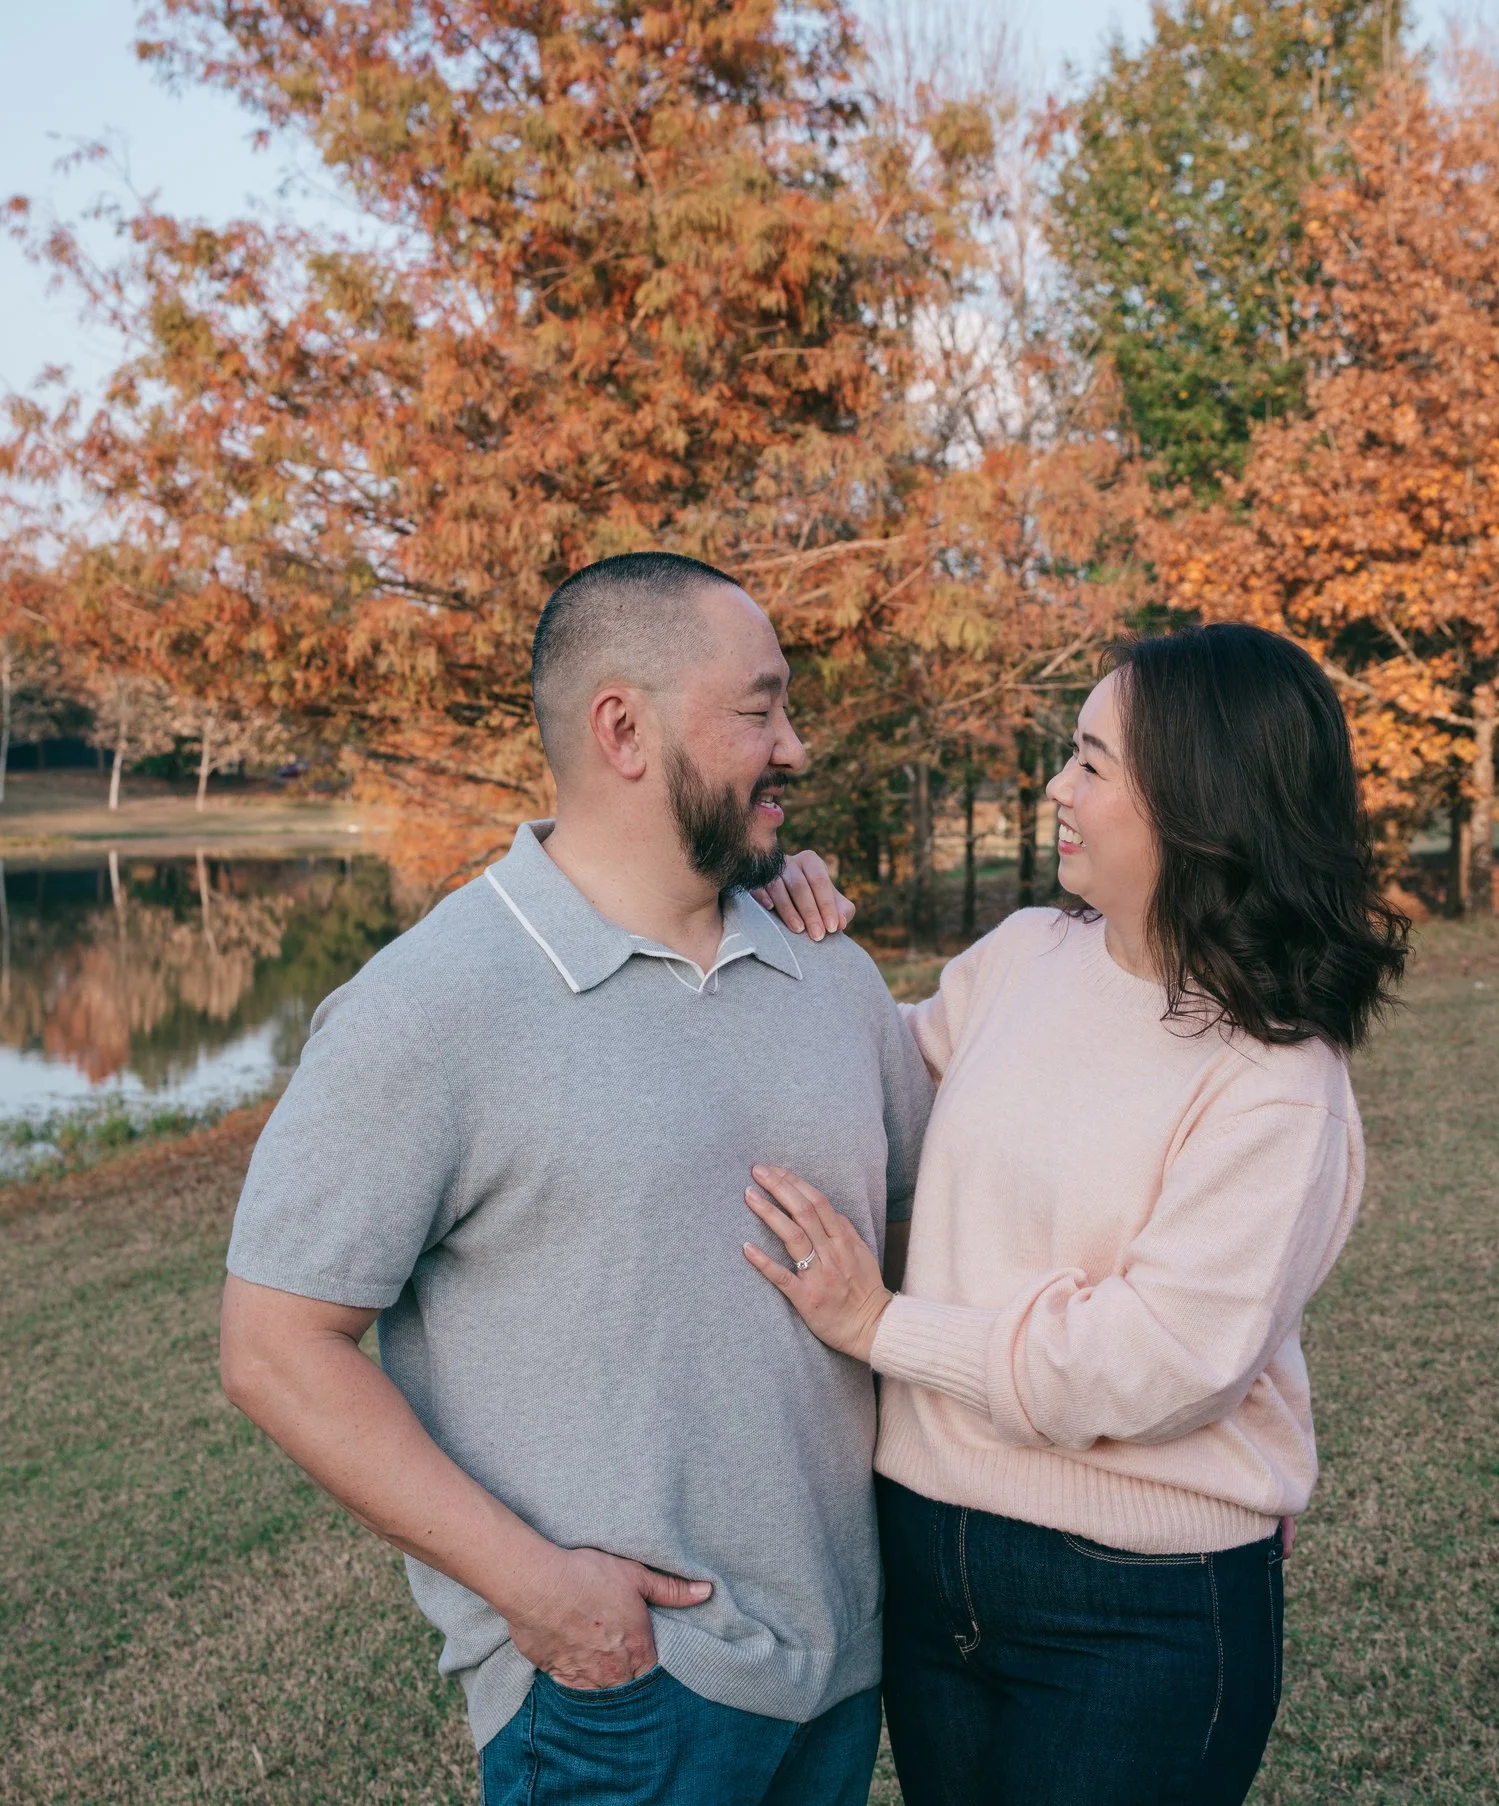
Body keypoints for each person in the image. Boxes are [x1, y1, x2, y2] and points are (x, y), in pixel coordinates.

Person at [217, 551, 931, 1806]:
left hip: (840, 1680)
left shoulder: (833, 975)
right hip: (622, 1701)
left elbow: (924, 1236)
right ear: (625, 729)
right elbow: (276, 1347)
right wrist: (542, 1595)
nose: (797, 748)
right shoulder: (430, 1008)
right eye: (760, 709)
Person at [744, 623, 1409, 1806]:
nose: (1057, 785)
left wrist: (881, 1325)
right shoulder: (1021, 956)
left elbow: (1154, 1364)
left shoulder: (1275, 1079)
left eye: (1093, 763)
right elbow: (862, 1100)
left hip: (1136, 1607)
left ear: (1199, 806)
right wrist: (796, 937)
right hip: (928, 1558)